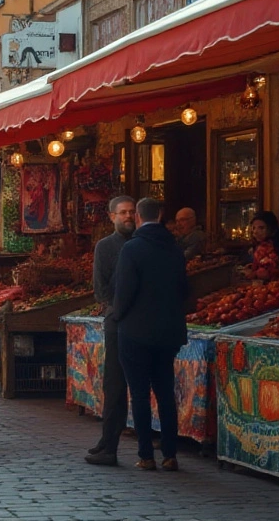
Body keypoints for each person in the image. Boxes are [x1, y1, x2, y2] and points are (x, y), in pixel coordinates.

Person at [113, 197, 187, 472]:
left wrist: (118, 316)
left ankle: (146, 455)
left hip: (135, 331)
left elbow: (124, 292)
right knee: (166, 392)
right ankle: (170, 454)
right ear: (161, 215)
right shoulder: (175, 249)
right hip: (168, 332)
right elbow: (184, 291)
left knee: (140, 394)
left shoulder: (132, 249)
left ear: (140, 218)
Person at [85, 196, 136, 466]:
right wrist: (116, 309)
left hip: (139, 324)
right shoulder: (105, 247)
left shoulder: (143, 245)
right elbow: (100, 289)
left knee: (134, 385)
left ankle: (121, 447)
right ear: (112, 216)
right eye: (123, 213)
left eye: (131, 212)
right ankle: (108, 441)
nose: (128, 217)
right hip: (117, 323)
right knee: (114, 386)